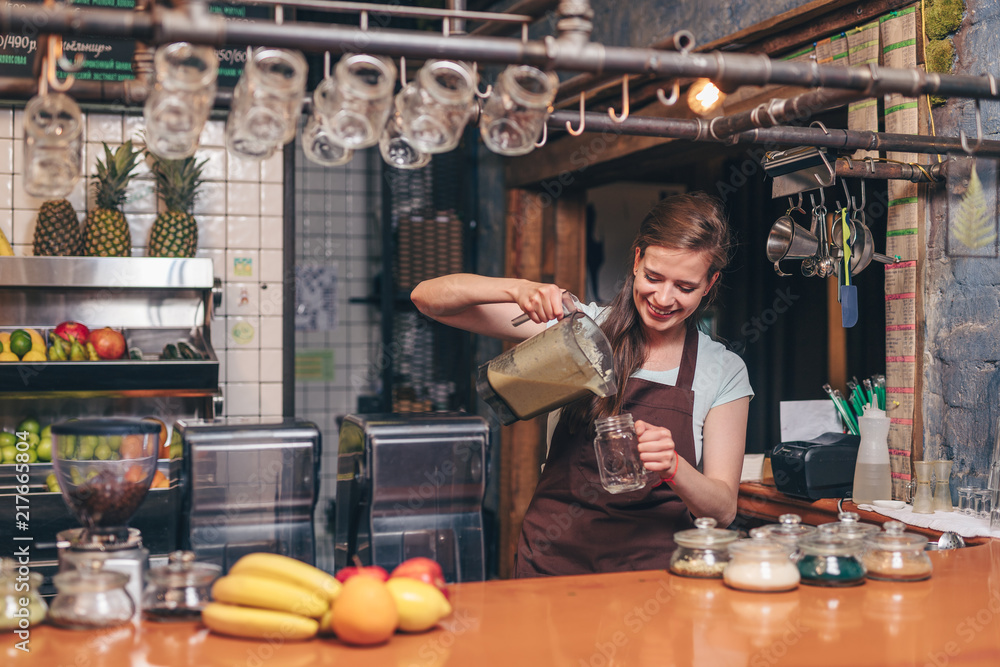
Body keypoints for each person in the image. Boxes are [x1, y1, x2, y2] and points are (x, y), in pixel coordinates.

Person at [410, 192, 753, 577]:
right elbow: (427, 299)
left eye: (685, 287)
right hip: (552, 565)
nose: (663, 298)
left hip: (654, 577)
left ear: (709, 285)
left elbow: (723, 511)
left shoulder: (722, 370)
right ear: (637, 260)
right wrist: (516, 289)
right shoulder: (577, 329)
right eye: (653, 277)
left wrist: (675, 467)